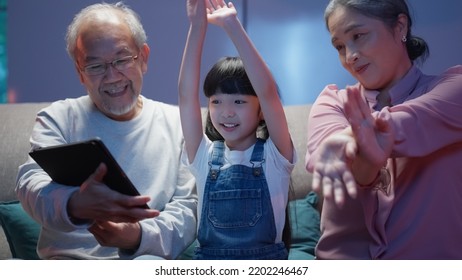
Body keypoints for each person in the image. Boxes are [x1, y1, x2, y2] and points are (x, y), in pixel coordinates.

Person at [15, 2, 197, 260]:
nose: (112, 76)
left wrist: (135, 234)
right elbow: (30, 183)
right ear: (80, 72)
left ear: (143, 58)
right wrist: (75, 203)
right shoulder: (58, 118)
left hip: (141, 260)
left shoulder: (178, 124)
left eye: (122, 59)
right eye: (95, 66)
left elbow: (187, 210)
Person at [305, 0, 462, 259]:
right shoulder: (331, 103)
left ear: (400, 27)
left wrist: (352, 137)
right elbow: (345, 170)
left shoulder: (453, 88)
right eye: (340, 46)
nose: (350, 56)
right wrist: (360, 153)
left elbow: (413, 120)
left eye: (358, 36)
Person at [178, 0, 296, 260]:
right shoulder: (203, 156)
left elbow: (268, 92)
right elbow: (186, 96)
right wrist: (197, 27)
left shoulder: (276, 157)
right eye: (216, 101)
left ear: (261, 110)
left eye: (239, 101)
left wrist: (232, 25)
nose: (226, 111)